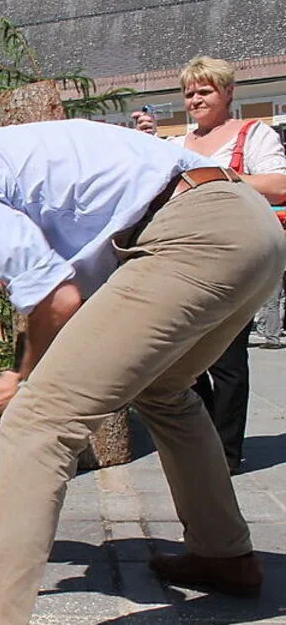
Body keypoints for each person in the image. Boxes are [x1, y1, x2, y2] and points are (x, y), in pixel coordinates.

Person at [0, 113, 282, 623]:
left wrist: (22, 379)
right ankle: (224, 555)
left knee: (36, 422)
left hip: (194, 236)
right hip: (247, 224)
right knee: (164, 390)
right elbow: (63, 291)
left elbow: (57, 298)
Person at [132, 56, 286, 473]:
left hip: (234, 256)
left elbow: (279, 185)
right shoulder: (178, 145)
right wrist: (147, 146)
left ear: (228, 93)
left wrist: (214, 179)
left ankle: (227, 452)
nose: (195, 99)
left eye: (205, 91)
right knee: (183, 358)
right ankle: (202, 443)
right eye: (189, 93)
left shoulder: (253, 134)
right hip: (184, 257)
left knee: (228, 360)